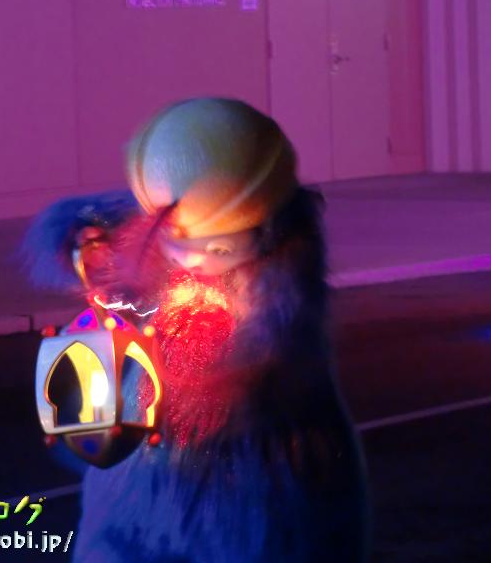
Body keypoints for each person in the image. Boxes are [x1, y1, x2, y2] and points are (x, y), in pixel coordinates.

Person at [22, 97, 369, 562]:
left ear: (268, 232)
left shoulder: (277, 306)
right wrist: (94, 256)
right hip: (126, 512)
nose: (191, 260)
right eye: (175, 240)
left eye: (219, 249)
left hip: (248, 515)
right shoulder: (154, 227)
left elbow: (264, 361)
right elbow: (102, 244)